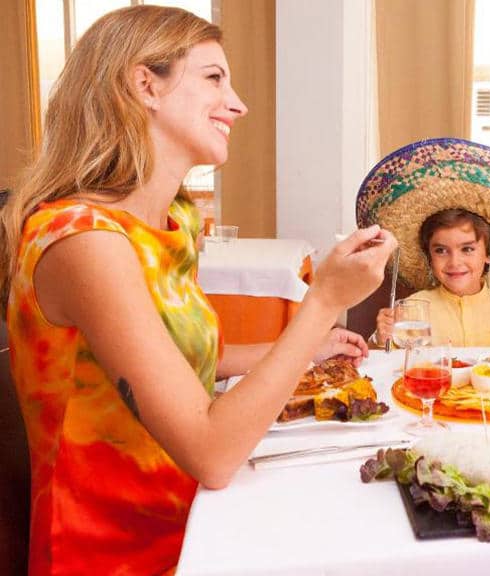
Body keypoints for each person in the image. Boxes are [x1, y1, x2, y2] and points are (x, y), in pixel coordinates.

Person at [0, 6, 396, 574]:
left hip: (195, 523)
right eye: (214, 78)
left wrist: (306, 347)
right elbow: (211, 453)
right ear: (145, 86)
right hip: (117, 554)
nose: (238, 104)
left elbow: (185, 365)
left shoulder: (174, 220)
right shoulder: (82, 241)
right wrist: (324, 302)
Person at [357, 138, 490, 348]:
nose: (454, 262)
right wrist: (379, 339)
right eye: (441, 250)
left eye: (467, 249)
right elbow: (385, 358)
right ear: (429, 256)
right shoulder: (412, 310)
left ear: (488, 253)